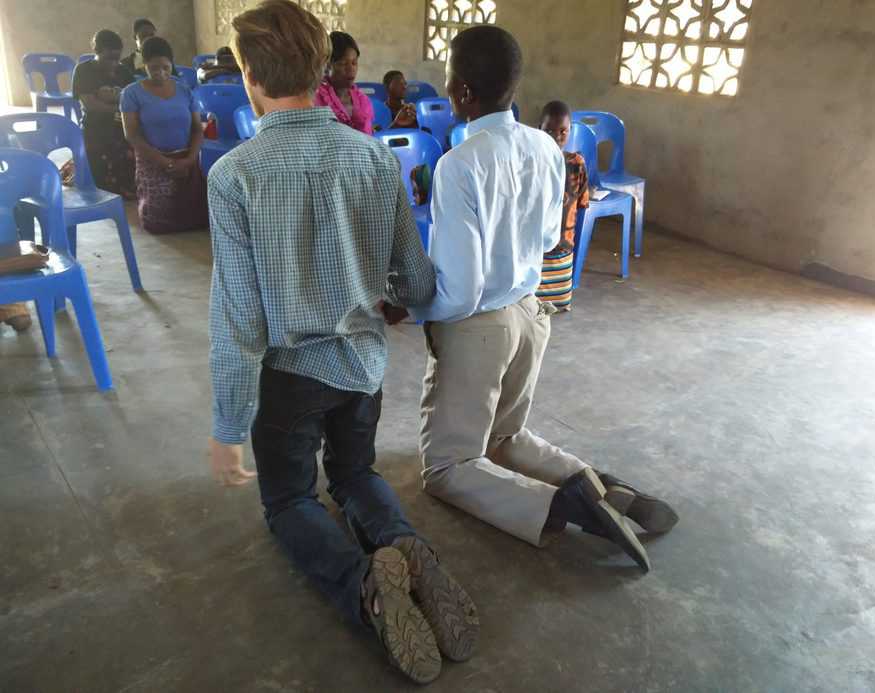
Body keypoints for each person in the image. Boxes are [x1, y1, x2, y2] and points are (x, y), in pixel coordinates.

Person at [207, 1, 477, 684]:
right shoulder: (373, 156)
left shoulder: (234, 175)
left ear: (249, 76)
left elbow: (239, 318)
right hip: (362, 363)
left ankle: (366, 587)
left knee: (290, 501)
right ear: (322, 69)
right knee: (355, 474)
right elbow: (414, 279)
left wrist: (228, 425)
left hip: (288, 376)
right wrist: (399, 299)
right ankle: (405, 545)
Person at [407, 26, 678, 571]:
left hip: (480, 326)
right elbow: (552, 237)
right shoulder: (546, 146)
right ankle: (599, 486)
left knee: (448, 467)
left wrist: (417, 311)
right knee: (505, 436)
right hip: (532, 315)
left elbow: (460, 291)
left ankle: (560, 506)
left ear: (463, 92)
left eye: (449, 79)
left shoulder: (460, 164)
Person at [120, 37, 208, 233]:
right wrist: (164, 162)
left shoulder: (184, 91)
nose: (160, 73)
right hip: (152, 159)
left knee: (198, 217)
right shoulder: (131, 93)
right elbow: (132, 135)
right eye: (153, 68)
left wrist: (189, 160)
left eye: (166, 67)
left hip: (186, 159)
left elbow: (197, 129)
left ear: (172, 64)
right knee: (158, 221)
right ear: (144, 65)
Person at [536, 100, 589, 312]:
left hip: (562, 249)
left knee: (558, 303)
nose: (556, 137)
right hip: (533, 250)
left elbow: (582, 205)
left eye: (563, 131)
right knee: (528, 304)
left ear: (570, 131)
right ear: (539, 129)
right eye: (549, 131)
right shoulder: (531, 162)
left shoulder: (576, 164)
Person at [71, 30, 135, 197]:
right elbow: (91, 105)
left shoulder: (123, 71)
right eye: (109, 58)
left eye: (117, 58)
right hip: (95, 125)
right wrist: (119, 106)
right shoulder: (83, 71)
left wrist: (108, 101)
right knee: (99, 173)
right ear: (97, 52)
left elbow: (134, 100)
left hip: (121, 123)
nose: (114, 63)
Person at [314, 31, 374, 134]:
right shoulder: (317, 99)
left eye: (354, 63)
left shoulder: (363, 101)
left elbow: (369, 137)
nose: (350, 69)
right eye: (343, 63)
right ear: (327, 65)